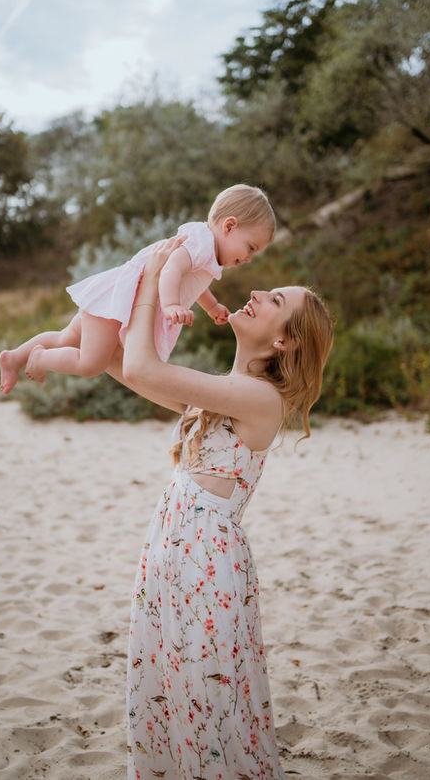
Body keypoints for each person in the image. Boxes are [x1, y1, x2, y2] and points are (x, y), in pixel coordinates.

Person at [106, 235, 334, 779]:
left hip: (206, 564)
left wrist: (155, 285)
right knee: (165, 691)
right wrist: (129, 288)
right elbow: (119, 362)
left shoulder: (260, 400)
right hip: (170, 553)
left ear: (283, 341)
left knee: (206, 703)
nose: (255, 291)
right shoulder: (222, 389)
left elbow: (141, 369)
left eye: (275, 301)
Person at [0, 184, 276, 394]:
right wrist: (169, 305)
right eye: (250, 247)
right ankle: (39, 358)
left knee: (67, 337)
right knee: (91, 363)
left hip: (117, 295)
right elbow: (171, 270)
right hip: (122, 300)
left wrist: (211, 306)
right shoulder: (201, 244)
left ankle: (14, 357)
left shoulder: (208, 251)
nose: (249, 257)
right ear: (229, 226)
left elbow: (193, 283)